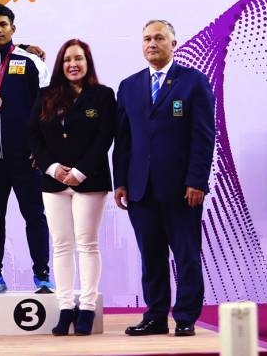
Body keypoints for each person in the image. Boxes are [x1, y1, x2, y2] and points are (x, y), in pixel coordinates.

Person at [113, 20, 216, 337]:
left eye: (159, 38)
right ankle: (155, 316)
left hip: (182, 190)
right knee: (151, 258)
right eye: (146, 39)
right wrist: (121, 182)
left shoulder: (193, 82)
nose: (152, 43)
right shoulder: (129, 86)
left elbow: (203, 136)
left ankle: (185, 316)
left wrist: (197, 181)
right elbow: (124, 140)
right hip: (141, 189)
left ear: (174, 44)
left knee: (185, 256)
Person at [29, 39, 116, 336]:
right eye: (67, 59)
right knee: (62, 245)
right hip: (52, 181)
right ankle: (66, 307)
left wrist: (79, 171)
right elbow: (33, 137)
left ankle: (87, 307)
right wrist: (52, 168)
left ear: (88, 62)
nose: (73, 64)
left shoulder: (103, 96)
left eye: (79, 59)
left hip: (89, 181)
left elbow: (104, 138)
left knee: (87, 243)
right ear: (60, 64)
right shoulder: (46, 95)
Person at [0, 4, 53, 294]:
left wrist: (41, 150)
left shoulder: (30, 62)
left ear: (13, 28)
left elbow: (47, 109)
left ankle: (42, 274)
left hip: (25, 157)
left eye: (3, 24)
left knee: (35, 215)